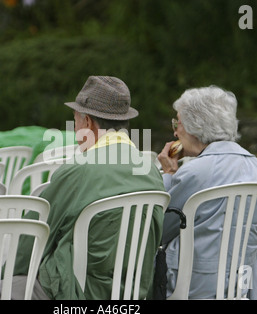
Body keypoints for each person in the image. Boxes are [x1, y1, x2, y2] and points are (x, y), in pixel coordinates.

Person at [11, 76, 166, 300]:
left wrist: (5, 276)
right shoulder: (151, 171)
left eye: (75, 121)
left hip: (74, 290)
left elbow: (33, 238)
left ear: (88, 123)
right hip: (132, 293)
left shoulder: (78, 170)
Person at [157, 85, 257, 299]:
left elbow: (160, 229)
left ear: (196, 126)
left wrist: (168, 173)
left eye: (178, 123)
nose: (175, 132)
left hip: (192, 285)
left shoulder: (195, 172)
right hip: (243, 284)